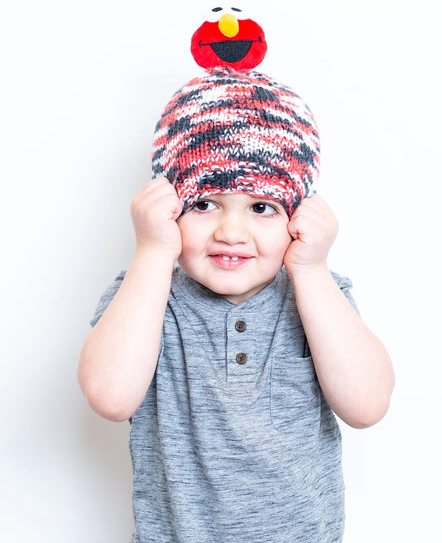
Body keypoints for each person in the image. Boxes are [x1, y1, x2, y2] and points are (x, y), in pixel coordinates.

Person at [78, 67, 394, 543]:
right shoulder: (146, 295)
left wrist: (312, 268)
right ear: (167, 210)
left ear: (298, 216)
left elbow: (367, 406)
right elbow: (110, 396)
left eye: (262, 207)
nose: (230, 232)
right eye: (204, 205)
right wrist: (153, 251)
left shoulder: (319, 294)